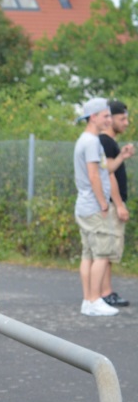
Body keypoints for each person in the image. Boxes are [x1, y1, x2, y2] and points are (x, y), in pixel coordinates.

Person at [74, 97, 125, 316]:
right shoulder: (92, 142)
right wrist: (104, 204)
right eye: (105, 115)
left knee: (88, 254)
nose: (108, 119)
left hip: (85, 206)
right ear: (93, 117)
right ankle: (94, 300)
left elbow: (105, 169)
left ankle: (88, 300)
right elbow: (95, 175)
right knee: (102, 254)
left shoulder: (85, 140)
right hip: (94, 207)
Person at [98, 100, 136, 306]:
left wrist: (123, 155)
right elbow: (108, 174)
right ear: (110, 118)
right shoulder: (105, 141)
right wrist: (119, 204)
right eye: (122, 118)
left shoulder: (110, 143)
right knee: (107, 249)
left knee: (110, 251)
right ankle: (104, 293)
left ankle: (106, 291)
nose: (126, 122)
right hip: (111, 205)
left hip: (113, 204)